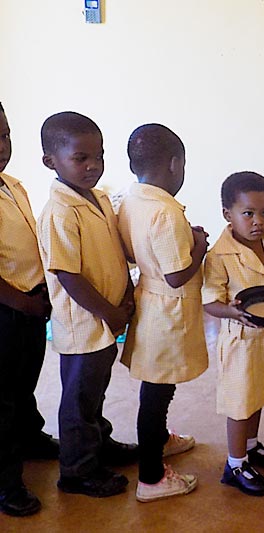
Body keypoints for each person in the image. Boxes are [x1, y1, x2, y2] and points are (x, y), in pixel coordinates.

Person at [37, 111, 138, 498]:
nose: (93, 165)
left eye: (99, 156)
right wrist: (110, 312)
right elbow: (68, 275)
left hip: (106, 320)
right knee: (78, 398)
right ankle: (77, 471)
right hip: (84, 323)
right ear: (52, 162)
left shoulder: (98, 199)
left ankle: (100, 444)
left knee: (95, 390)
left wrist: (126, 293)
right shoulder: (59, 212)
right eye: (81, 158)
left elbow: (112, 252)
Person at [117, 124, 207, 502]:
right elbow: (175, 275)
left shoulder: (131, 198)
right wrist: (199, 246)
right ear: (175, 164)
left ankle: (160, 439)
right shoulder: (166, 212)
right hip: (167, 309)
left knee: (158, 385)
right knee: (156, 390)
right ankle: (151, 478)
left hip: (150, 302)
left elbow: (132, 252)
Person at [203, 171, 264, 496]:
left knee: (258, 394)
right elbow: (211, 302)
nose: (258, 221)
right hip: (240, 341)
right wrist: (235, 313)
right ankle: (235, 463)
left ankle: (252, 446)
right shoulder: (218, 255)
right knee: (240, 403)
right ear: (228, 215)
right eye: (248, 214)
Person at [0, 103, 58, 517]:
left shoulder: (12, 184)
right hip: (9, 308)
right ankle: (6, 483)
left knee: (23, 383)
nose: (2, 146)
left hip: (30, 305)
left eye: (5, 135)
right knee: (0, 398)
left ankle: (31, 437)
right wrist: (21, 302)